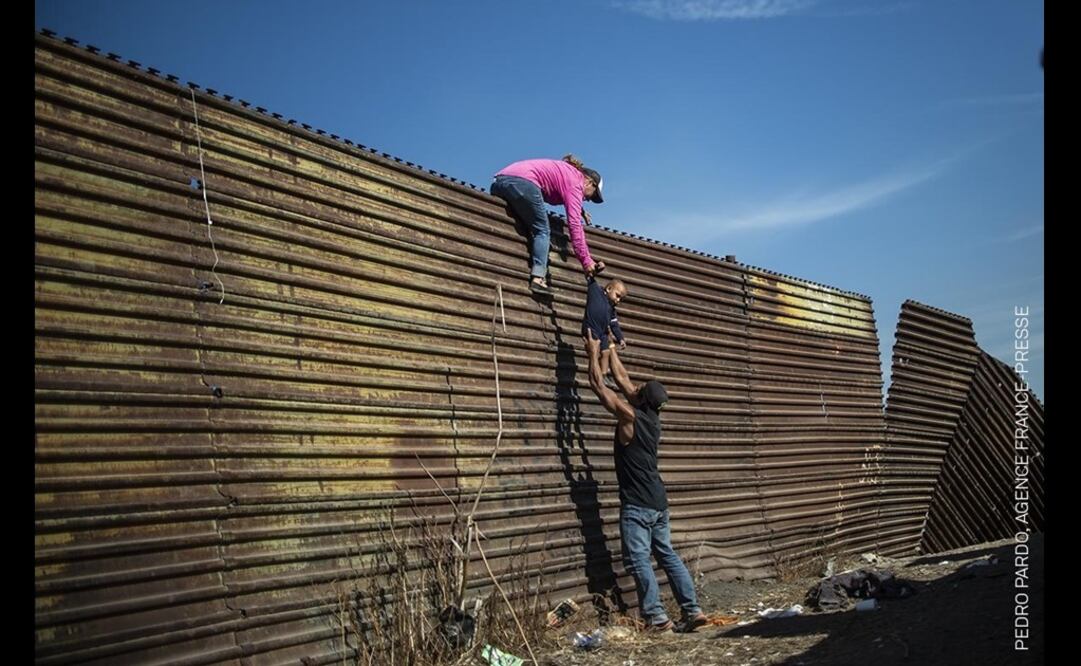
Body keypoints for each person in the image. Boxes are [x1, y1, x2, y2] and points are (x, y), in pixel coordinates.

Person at [582, 330, 709, 633]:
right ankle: (693, 611)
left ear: (640, 399)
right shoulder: (651, 417)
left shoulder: (630, 417)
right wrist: (611, 347)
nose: (633, 386)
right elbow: (623, 379)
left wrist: (591, 351)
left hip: (638, 505)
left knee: (639, 560)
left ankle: (656, 618)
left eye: (638, 388)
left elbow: (600, 387)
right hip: (659, 503)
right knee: (667, 554)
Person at [490, 155, 606, 294]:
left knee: (528, 220)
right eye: (592, 196)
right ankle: (538, 278)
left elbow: (563, 190)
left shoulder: (569, 173)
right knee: (543, 231)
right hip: (524, 183)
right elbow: (575, 225)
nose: (588, 200)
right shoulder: (576, 183)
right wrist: (586, 261)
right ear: (588, 182)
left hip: (500, 182)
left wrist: (580, 210)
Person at [582, 277, 628, 387]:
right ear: (609, 288)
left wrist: (620, 338)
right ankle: (596, 374)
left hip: (602, 332)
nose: (618, 300)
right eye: (617, 296)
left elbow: (614, 325)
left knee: (606, 352)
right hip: (590, 328)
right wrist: (594, 269)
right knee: (595, 350)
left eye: (620, 299)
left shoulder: (612, 309)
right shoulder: (596, 292)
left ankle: (603, 375)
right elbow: (590, 277)